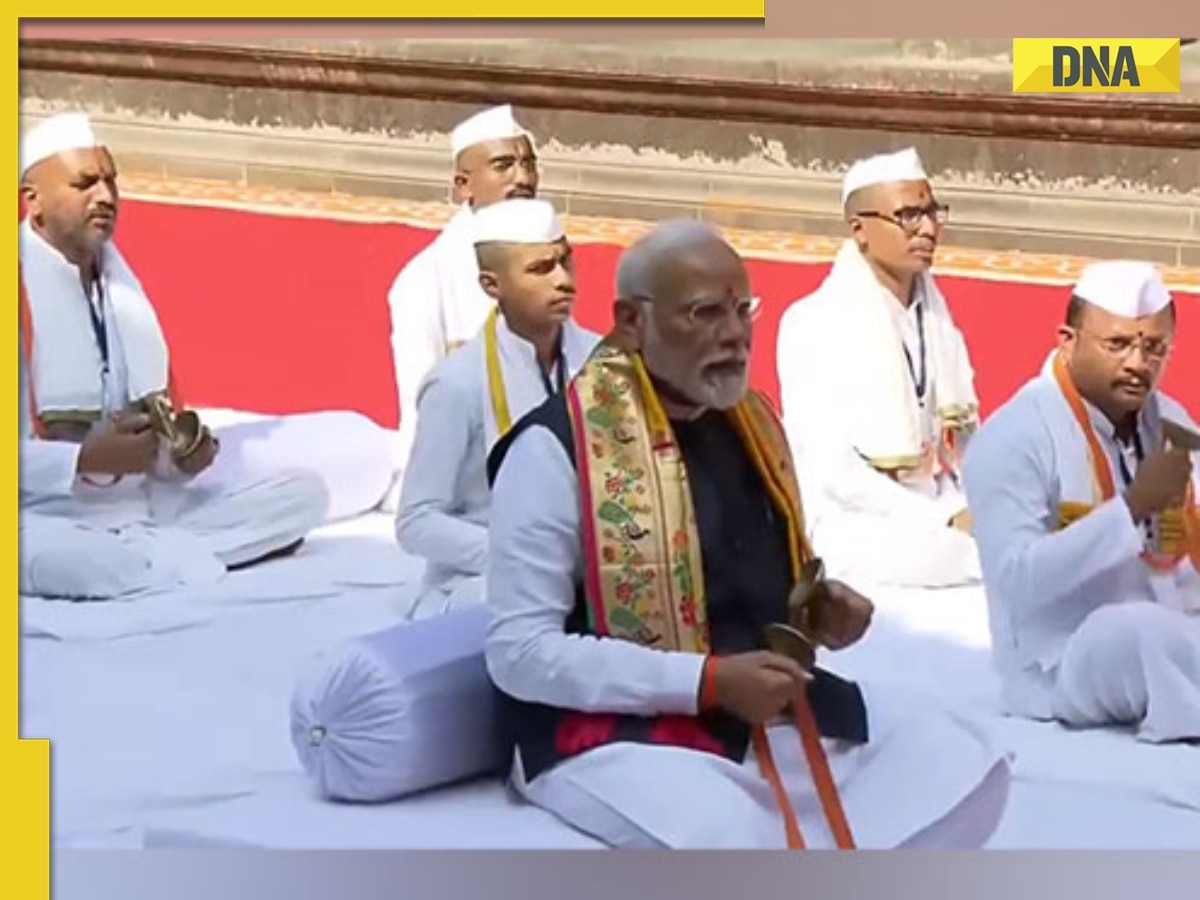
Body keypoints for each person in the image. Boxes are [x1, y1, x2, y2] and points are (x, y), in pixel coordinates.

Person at [482, 220, 1011, 849]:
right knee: (728, 837)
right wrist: (706, 681)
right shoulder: (554, 447)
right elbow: (518, 653)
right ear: (630, 323)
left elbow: (749, 584)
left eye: (741, 311)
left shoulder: (750, 423)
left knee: (961, 762)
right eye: (705, 313)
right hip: (611, 725)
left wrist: (817, 611)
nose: (733, 335)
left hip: (756, 705)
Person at [18, 112, 331, 600]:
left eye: (110, 182)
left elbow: (151, 424)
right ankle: (171, 559)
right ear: (32, 200)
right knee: (75, 563)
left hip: (142, 505)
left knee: (304, 493)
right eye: (84, 184)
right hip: (45, 513)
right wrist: (81, 458)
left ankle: (156, 561)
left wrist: (180, 458)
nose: (105, 197)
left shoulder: (118, 288)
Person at [963, 260, 1199, 743]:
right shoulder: (1014, 435)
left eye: (1154, 348)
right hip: (1060, 658)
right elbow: (1016, 582)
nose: (1138, 363)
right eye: (1117, 345)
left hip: (1171, 614)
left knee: (1157, 629)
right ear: (1066, 341)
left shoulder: (1169, 418)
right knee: (1140, 633)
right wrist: (1131, 508)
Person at [776, 148, 981, 588]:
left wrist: (979, 504)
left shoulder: (939, 320)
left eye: (931, 212)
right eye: (908, 215)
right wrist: (945, 519)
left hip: (944, 505)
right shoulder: (812, 321)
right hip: (857, 519)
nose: (928, 228)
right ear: (859, 230)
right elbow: (829, 471)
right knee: (959, 555)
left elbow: (964, 440)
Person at [395, 199, 599, 618]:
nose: (563, 280)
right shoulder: (457, 383)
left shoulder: (604, 362)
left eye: (565, 262)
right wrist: (523, 559)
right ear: (492, 285)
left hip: (593, 567)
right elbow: (416, 520)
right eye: (541, 269)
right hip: (483, 579)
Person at [385, 104, 540, 495]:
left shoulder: (545, 259)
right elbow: (424, 409)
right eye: (504, 165)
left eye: (528, 164)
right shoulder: (424, 279)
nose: (523, 178)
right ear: (462, 185)